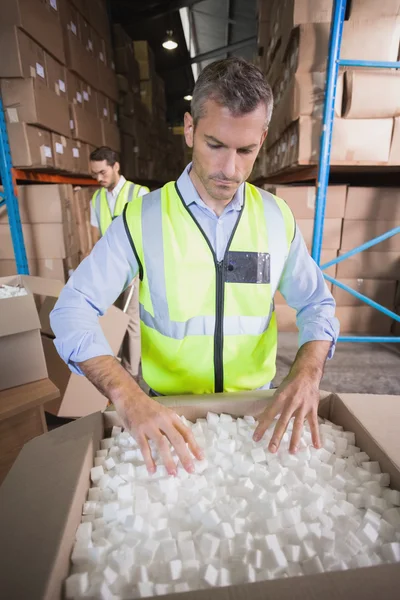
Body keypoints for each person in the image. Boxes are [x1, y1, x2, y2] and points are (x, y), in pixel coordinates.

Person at [51, 58, 339, 476]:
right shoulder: (142, 219)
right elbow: (71, 309)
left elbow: (317, 303)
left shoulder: (277, 219)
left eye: (246, 150)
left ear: (262, 138)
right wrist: (128, 397)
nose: (230, 169)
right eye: (215, 145)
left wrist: (307, 374)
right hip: (168, 411)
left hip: (254, 414)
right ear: (189, 129)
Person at [89, 146, 149, 379]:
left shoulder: (139, 193)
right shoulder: (97, 198)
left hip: (133, 268)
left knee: (131, 320)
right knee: (111, 318)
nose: (98, 178)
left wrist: (139, 268)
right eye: (94, 173)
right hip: (109, 270)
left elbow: (148, 234)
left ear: (116, 167)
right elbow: (96, 237)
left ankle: (131, 374)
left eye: (103, 172)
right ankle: (114, 367)